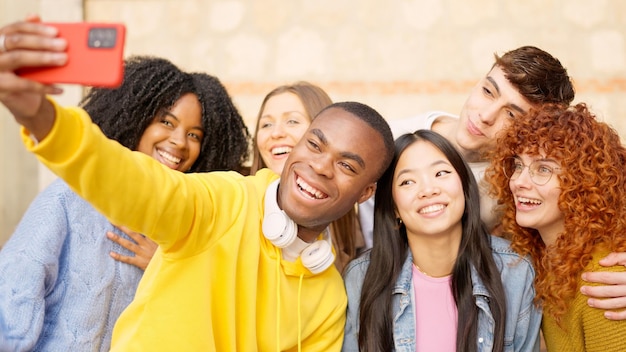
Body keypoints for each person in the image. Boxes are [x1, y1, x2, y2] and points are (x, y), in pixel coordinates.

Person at [0, 20, 396, 350]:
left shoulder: (328, 296)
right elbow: (130, 180)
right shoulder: (220, 200)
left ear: (365, 192)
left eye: (346, 165)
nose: (320, 167)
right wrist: (42, 118)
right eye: (314, 144)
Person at [0, 55, 251, 351]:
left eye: (194, 135)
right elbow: (14, 296)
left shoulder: (189, 234)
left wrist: (167, 265)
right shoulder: (69, 198)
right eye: (166, 122)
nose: (180, 142)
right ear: (135, 117)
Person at [360, 45, 626, 319]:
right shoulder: (385, 140)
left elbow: (605, 197)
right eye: (488, 91)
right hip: (366, 300)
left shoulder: (519, 185)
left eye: (511, 114)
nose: (486, 115)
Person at [343, 130, 540, 352]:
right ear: (393, 208)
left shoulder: (515, 271)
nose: (428, 190)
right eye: (407, 181)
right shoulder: (361, 278)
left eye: (441, 173)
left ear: (465, 187)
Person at [486, 103, 626, 351]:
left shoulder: (603, 280)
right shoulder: (547, 260)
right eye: (518, 165)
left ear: (583, 183)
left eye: (543, 169)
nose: (519, 182)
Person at [250, 81, 365, 272]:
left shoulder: (347, 216)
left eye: (292, 121)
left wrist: (433, 121)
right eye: (266, 124)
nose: (276, 133)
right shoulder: (236, 199)